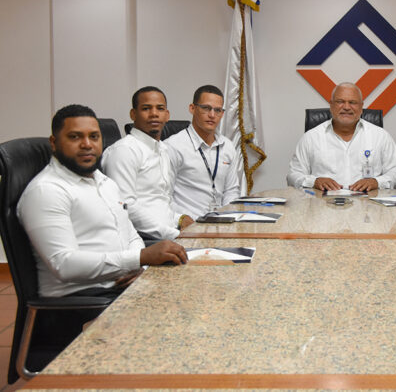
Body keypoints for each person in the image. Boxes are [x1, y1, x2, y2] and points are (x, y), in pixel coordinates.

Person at [17, 104, 188, 300]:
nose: (87, 144)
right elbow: (64, 264)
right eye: (75, 137)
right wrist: (138, 258)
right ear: (54, 143)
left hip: (122, 285)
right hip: (84, 299)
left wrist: (137, 266)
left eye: (94, 137)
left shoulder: (104, 182)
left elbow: (130, 235)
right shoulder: (46, 190)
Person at [102, 86, 194, 240]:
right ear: (133, 114)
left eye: (160, 108)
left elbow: (162, 201)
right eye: (146, 108)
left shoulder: (163, 150)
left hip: (169, 235)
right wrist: (176, 235)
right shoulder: (124, 150)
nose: (154, 114)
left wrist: (180, 218)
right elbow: (126, 207)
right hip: (142, 240)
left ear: (167, 115)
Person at [286, 82, 396, 191]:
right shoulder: (311, 137)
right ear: (331, 105)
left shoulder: (380, 136)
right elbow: (293, 176)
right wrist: (314, 182)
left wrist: (377, 182)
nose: (347, 107)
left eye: (352, 102)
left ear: (361, 106)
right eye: (340, 102)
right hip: (322, 204)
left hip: (369, 204)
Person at [165, 85, 243, 219]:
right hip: (188, 224)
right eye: (206, 108)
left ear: (222, 114)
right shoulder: (172, 146)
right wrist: (181, 220)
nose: (212, 115)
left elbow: (231, 190)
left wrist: (228, 217)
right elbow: (165, 196)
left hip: (221, 223)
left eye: (217, 110)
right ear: (192, 108)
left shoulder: (228, 146)